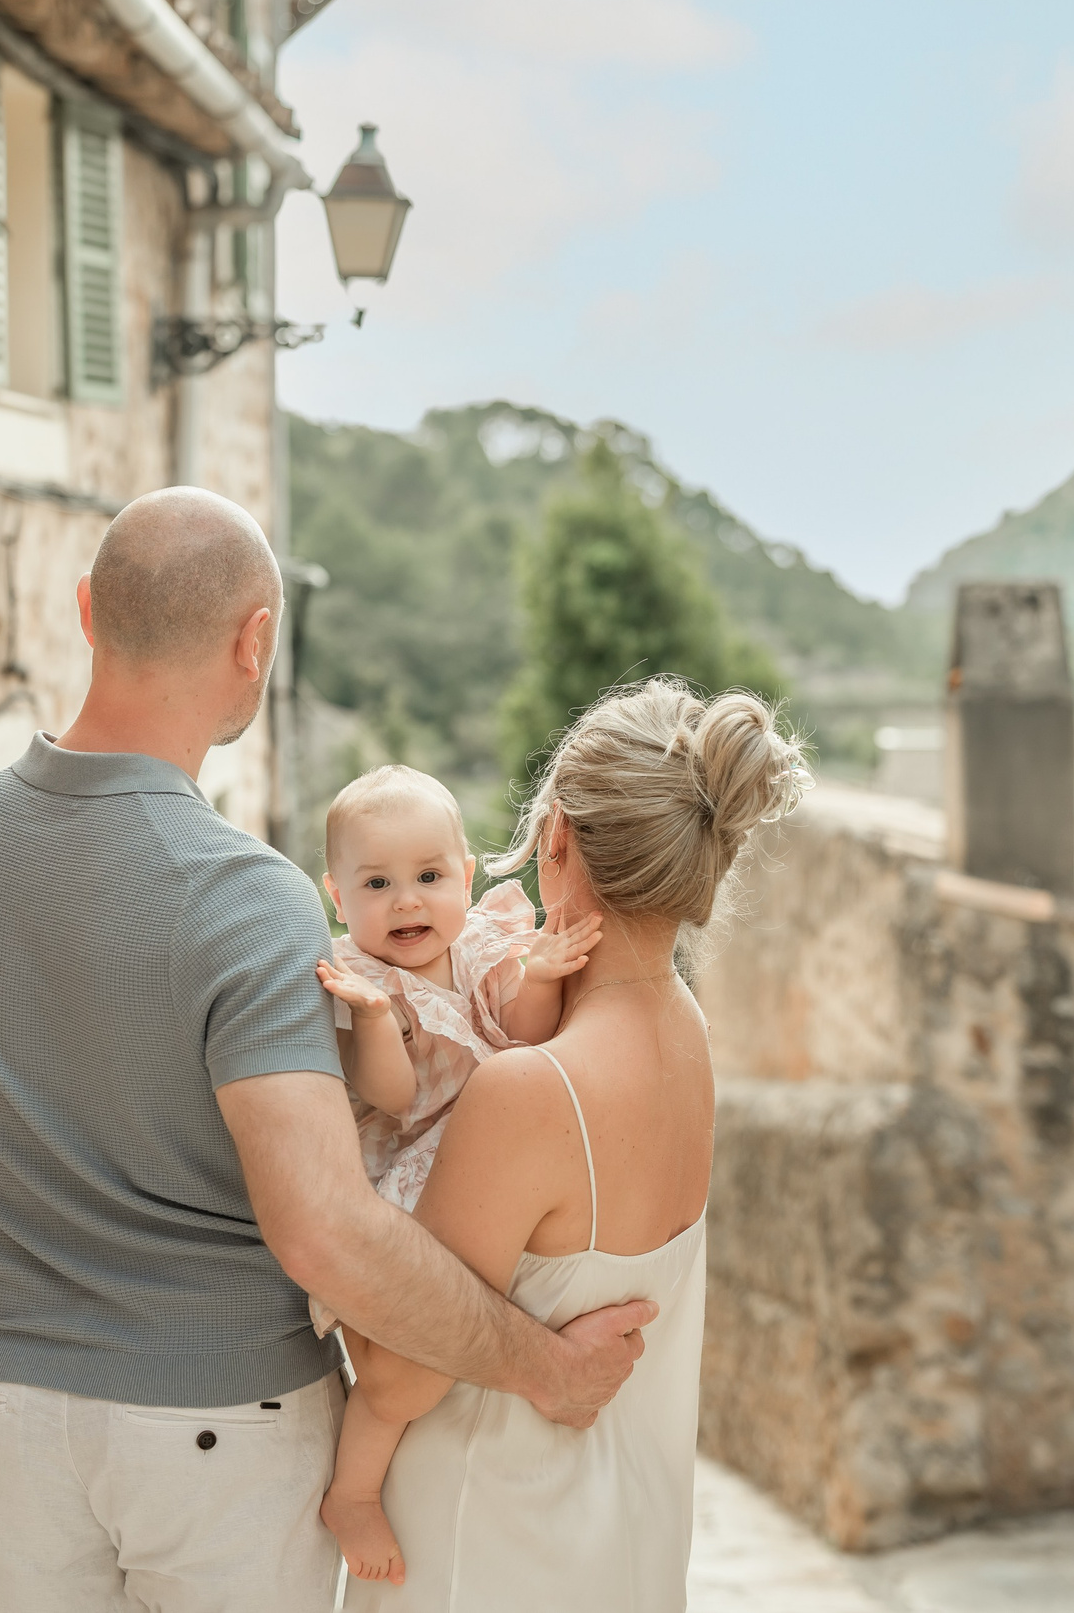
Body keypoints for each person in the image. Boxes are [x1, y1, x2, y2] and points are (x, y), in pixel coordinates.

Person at [0, 487, 656, 1613]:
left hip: (10, 1403)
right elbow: (322, 1228)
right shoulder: (239, 892)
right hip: (218, 1426)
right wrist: (542, 1367)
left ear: (86, 613)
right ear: (255, 638)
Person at [343, 677, 810, 1611]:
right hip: (626, 1555)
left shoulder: (532, 1090)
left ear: (557, 836)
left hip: (486, 1554)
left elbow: (393, 1369)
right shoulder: (690, 1040)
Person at [307, 765, 603, 1582]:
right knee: (403, 1380)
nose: (407, 901)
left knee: (480, 1323)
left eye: (429, 876)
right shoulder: (362, 980)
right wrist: (372, 1024)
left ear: (466, 877)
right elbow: (392, 1099)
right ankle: (354, 1492)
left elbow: (519, 1032)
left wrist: (539, 977)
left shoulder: (481, 942)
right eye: (378, 882)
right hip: (412, 1167)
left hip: (484, 1152)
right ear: (338, 897)